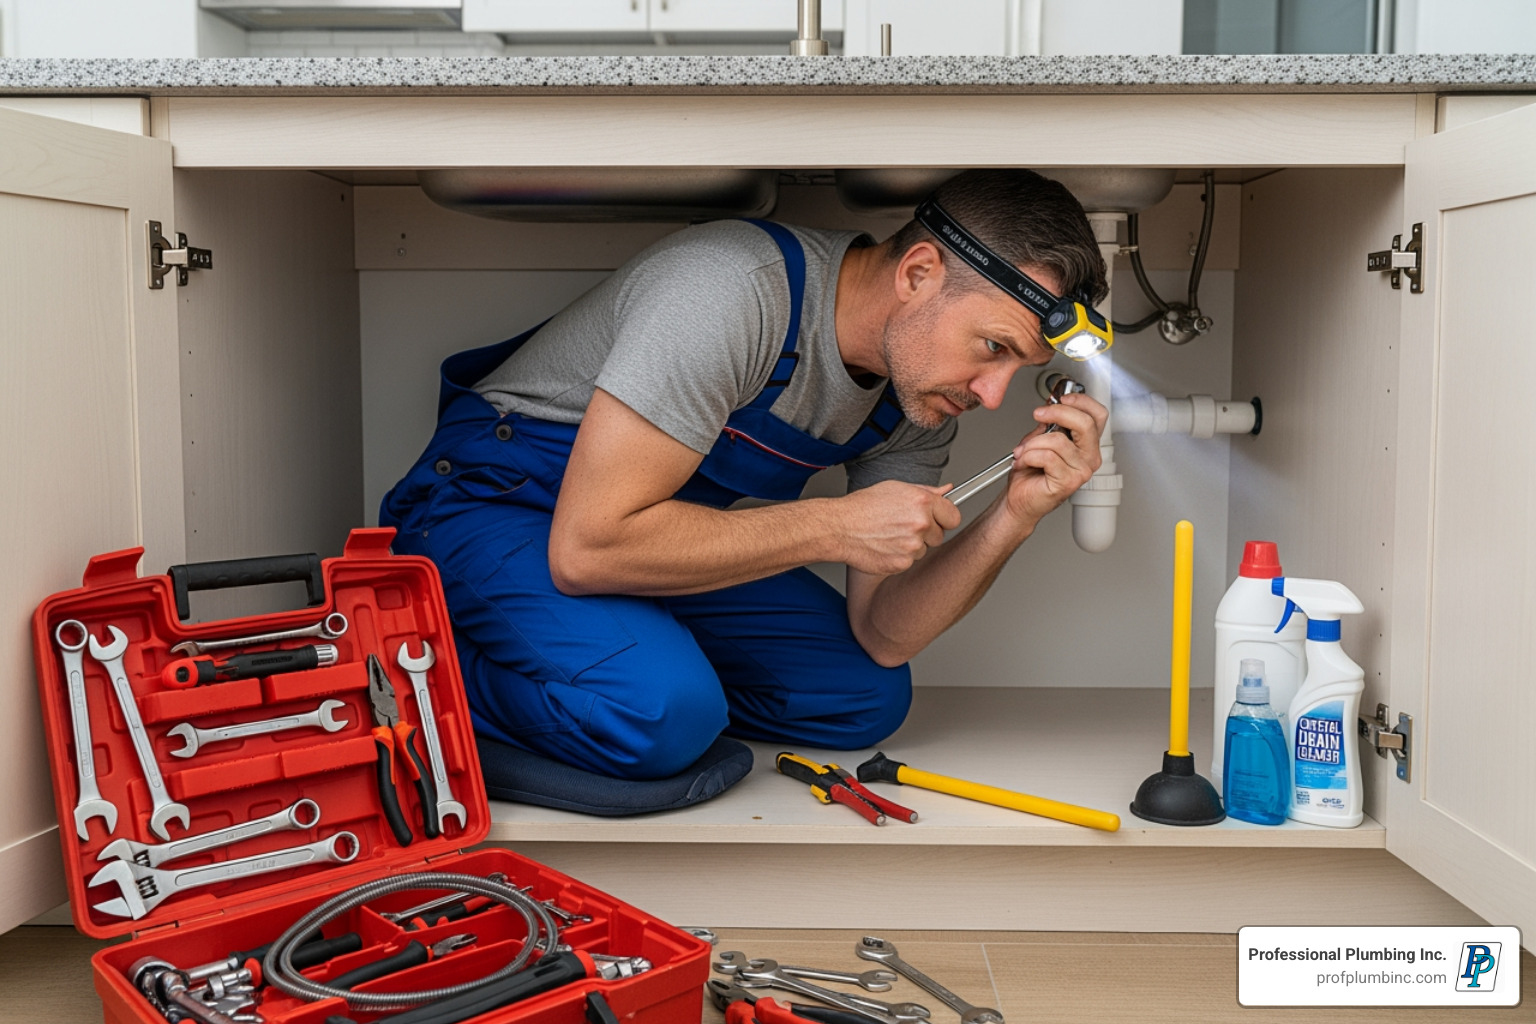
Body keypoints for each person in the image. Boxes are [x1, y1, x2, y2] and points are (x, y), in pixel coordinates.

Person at [380, 169, 1109, 783]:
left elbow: (885, 636)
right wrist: (830, 527)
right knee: (661, 713)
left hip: (652, 530)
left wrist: (1016, 515)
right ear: (918, 273)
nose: (991, 394)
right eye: (991, 347)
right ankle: (402, 669)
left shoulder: (916, 395)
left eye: (1019, 369)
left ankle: (619, 670)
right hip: (496, 506)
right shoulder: (733, 292)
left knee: (863, 698)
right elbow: (587, 550)